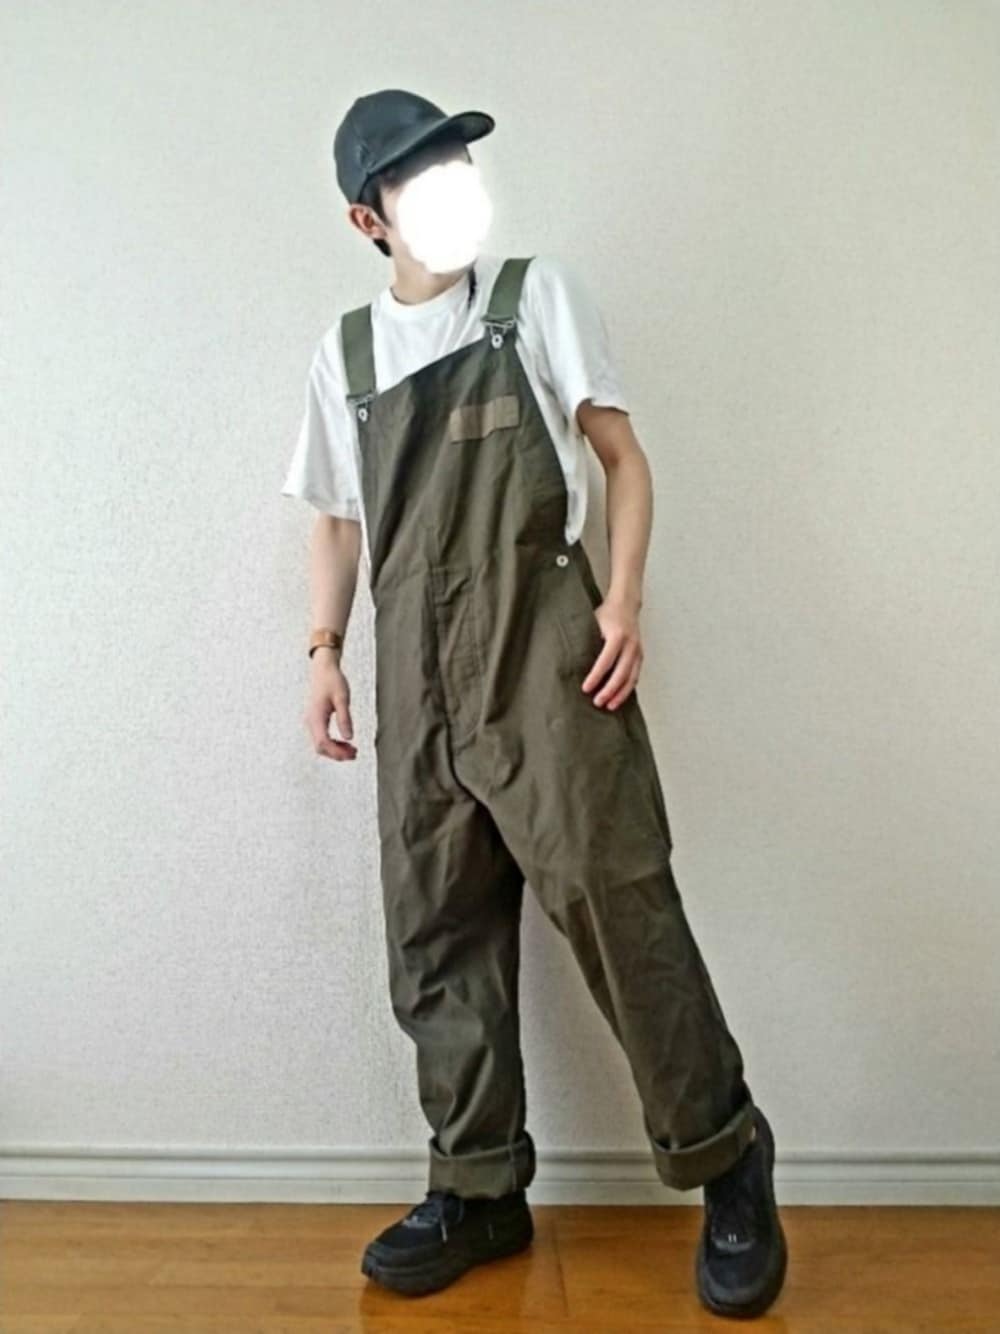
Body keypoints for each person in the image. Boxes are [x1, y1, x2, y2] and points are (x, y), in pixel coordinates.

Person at [282, 87, 788, 1319]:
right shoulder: (347, 356)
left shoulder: (533, 298)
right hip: (415, 673)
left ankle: (726, 1154)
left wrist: (622, 600)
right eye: (418, 178)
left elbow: (620, 455)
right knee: (435, 932)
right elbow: (338, 520)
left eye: (458, 167)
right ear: (367, 218)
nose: (450, 190)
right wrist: (323, 649)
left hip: (545, 650)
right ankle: (477, 1186)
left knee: (617, 901)